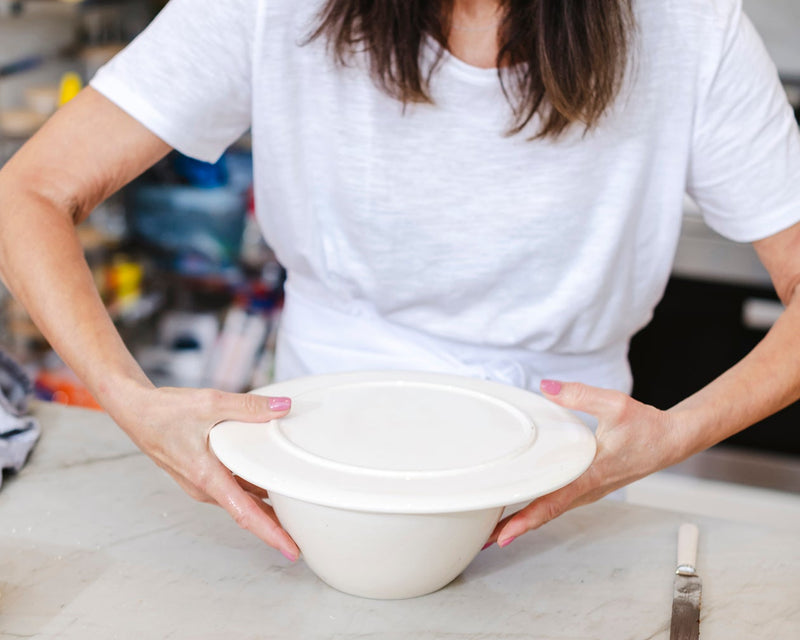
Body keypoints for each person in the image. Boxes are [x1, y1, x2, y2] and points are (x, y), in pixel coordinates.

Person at [0, 0, 798, 561]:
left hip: (563, 480)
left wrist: (674, 436)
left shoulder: (691, 23)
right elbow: (28, 193)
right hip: (318, 462)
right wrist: (131, 403)